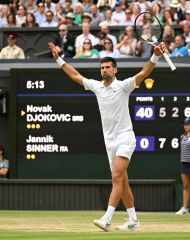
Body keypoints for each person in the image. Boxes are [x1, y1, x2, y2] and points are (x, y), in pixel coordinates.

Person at [48, 40, 166, 231]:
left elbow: (144, 73)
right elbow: (75, 75)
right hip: (109, 141)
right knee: (123, 182)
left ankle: (107, 218)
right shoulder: (96, 86)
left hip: (125, 138)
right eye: (102, 67)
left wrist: (156, 55)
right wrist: (58, 60)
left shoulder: (124, 86)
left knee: (116, 177)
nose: (104, 70)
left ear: (115, 70)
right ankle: (133, 221)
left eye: (108, 67)